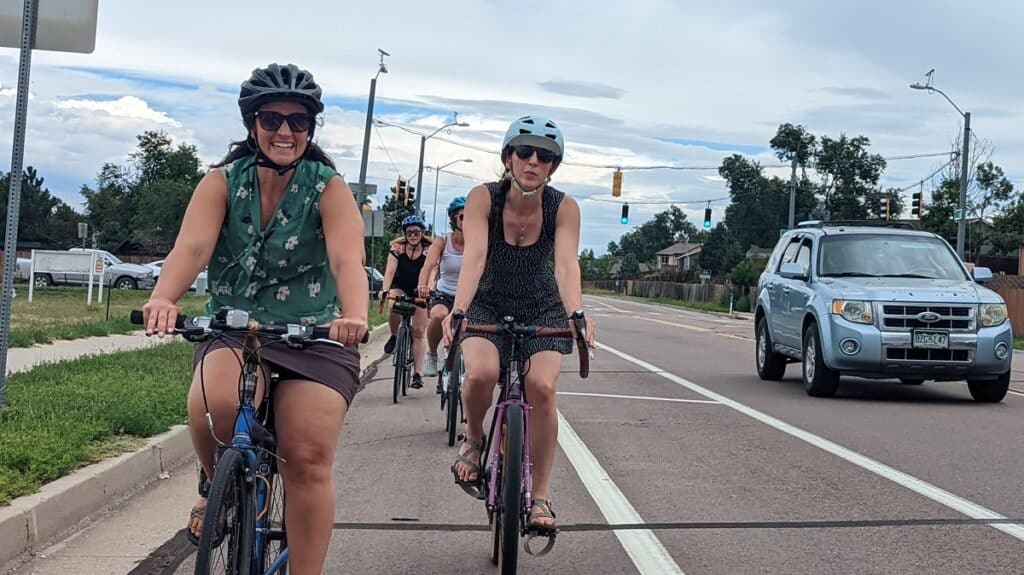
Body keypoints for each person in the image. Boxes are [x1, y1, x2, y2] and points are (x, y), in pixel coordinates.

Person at [141, 63, 368, 575]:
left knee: (306, 456)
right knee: (211, 407)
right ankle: (215, 483)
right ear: (252, 123)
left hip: (314, 333)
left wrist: (354, 314)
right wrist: (164, 297)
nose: (285, 131)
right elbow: (193, 245)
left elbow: (346, 260)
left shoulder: (327, 187)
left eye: (299, 121)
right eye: (272, 118)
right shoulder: (221, 182)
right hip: (237, 328)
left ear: (311, 129)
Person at [443, 115, 595, 534]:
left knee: (542, 388)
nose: (533, 161)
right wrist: (459, 311)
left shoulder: (563, 207)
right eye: (524, 152)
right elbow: (473, 257)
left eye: (544, 156)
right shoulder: (483, 198)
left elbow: (565, 264)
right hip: (487, 303)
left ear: (553, 166)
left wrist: (576, 313)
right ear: (508, 157)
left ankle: (541, 496)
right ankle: (474, 439)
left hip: (541, 306)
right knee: (482, 373)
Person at [417, 196, 466, 383]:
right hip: (444, 292)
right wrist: (423, 284)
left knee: (465, 327)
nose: (467, 220)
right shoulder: (443, 242)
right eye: (462, 216)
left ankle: (456, 364)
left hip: (468, 295)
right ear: (454, 219)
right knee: (438, 315)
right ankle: (431, 354)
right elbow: (428, 265)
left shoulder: (477, 241)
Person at [380, 214, 431, 388]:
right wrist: (385, 290)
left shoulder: (428, 249)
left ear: (422, 232)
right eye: (409, 232)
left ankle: (417, 374)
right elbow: (390, 271)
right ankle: (395, 336)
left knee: (418, 331)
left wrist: (428, 290)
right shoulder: (397, 247)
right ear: (405, 233)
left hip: (420, 288)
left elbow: (431, 271)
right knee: (393, 303)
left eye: (416, 232)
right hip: (400, 285)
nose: (413, 235)